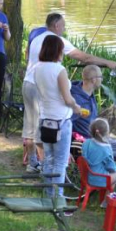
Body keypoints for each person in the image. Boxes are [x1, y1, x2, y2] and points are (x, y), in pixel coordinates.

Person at [22, 13, 116, 172]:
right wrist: (108, 62)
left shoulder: (37, 36)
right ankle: (47, 168)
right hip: (41, 87)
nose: (64, 29)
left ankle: (33, 163)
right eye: (64, 26)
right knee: (43, 128)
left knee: (30, 127)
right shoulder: (56, 40)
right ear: (56, 26)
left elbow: (28, 55)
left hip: (28, 83)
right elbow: (84, 58)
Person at [32, 35, 82, 196]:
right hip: (61, 121)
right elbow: (67, 99)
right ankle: (57, 198)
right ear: (57, 51)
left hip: (45, 119)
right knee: (60, 162)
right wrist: (76, 107)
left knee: (48, 159)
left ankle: (48, 194)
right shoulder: (59, 70)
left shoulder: (37, 68)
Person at [71, 65, 116, 172]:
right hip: (89, 142)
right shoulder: (78, 101)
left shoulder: (88, 93)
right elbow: (66, 123)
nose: (102, 79)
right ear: (94, 80)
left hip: (98, 136)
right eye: (100, 76)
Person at [82, 118, 116, 193]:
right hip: (99, 179)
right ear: (106, 133)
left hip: (87, 176)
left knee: (115, 176)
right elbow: (111, 168)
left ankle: (105, 202)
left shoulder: (87, 142)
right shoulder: (106, 149)